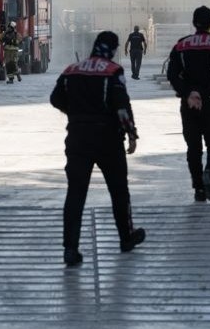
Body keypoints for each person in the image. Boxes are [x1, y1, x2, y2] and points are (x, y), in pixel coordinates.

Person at [51, 31, 145, 267]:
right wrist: (131, 134)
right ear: (112, 49)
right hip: (108, 140)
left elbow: (55, 98)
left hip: (77, 138)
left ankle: (70, 249)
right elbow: (122, 107)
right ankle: (126, 237)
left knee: (75, 193)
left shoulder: (72, 70)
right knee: (118, 191)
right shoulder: (113, 71)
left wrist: (75, 113)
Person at [166, 6, 210, 202]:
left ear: (194, 23)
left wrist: (190, 93)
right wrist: (205, 93)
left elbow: (172, 74)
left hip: (188, 105)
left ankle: (199, 188)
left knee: (193, 148)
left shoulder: (180, 45)